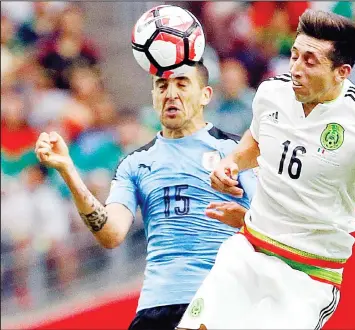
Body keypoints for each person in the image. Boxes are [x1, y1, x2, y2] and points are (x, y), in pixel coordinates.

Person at [177, 10, 355, 330]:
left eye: (310, 61)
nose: (295, 68)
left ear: (342, 71)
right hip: (247, 252)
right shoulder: (272, 93)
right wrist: (232, 163)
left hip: (307, 278)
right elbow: (255, 143)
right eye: (294, 56)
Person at [34, 60, 256, 330]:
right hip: (156, 308)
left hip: (219, 300)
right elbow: (111, 233)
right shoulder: (135, 164)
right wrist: (68, 170)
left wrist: (245, 218)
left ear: (205, 95)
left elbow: (277, 224)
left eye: (182, 84)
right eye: (161, 86)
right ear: (153, 96)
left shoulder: (237, 152)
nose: (170, 94)